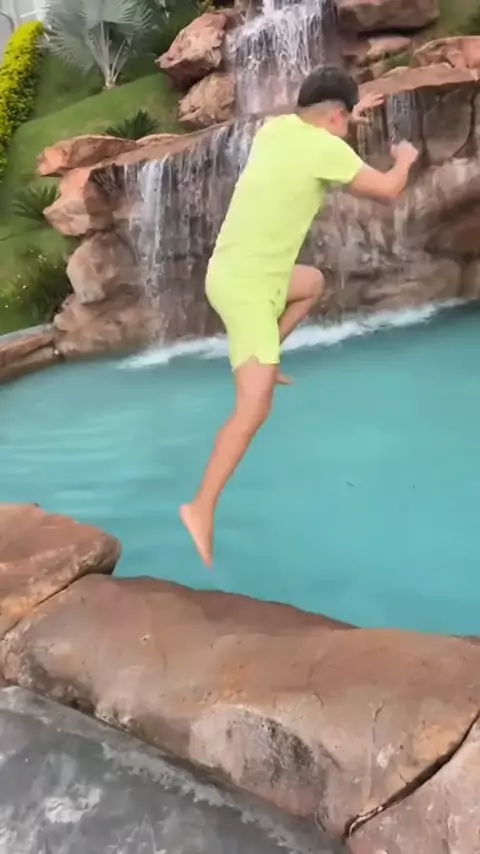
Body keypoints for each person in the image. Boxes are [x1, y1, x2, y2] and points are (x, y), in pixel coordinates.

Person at [181, 66, 419, 567]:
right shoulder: (327, 149)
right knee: (255, 407)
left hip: (238, 271)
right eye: (346, 120)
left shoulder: (277, 129)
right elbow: (388, 190)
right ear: (334, 117)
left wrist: (352, 110)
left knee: (310, 284)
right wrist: (405, 158)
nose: (347, 128)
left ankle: (269, 354)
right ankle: (200, 508)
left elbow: (320, 124)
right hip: (248, 288)